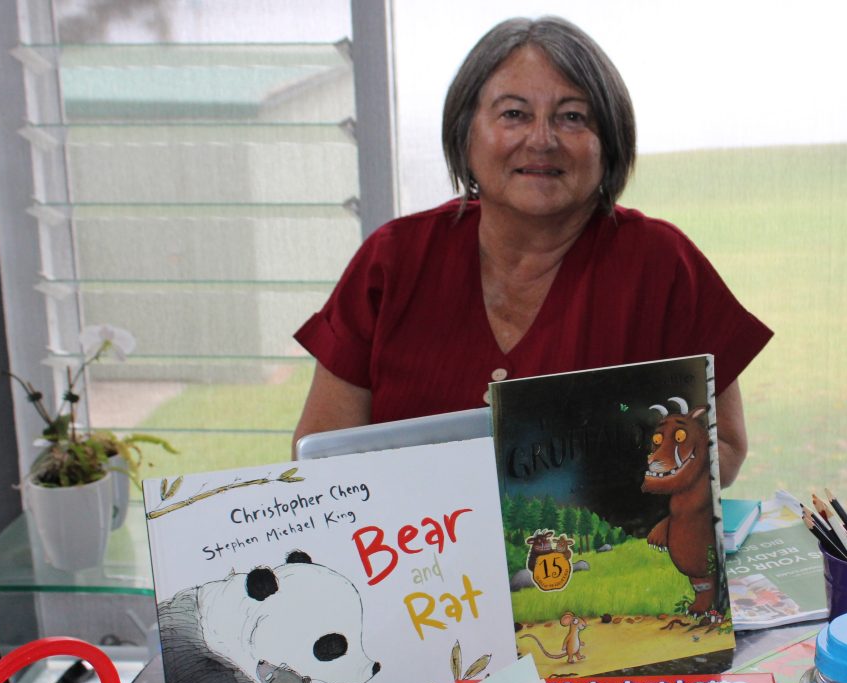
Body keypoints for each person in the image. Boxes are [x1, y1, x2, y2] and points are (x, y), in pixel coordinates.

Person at [293, 16, 771, 486]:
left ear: (609, 142)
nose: (542, 140)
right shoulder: (393, 260)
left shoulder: (663, 265)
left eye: (572, 117)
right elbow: (320, 454)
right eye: (514, 114)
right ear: (466, 134)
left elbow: (724, 448)